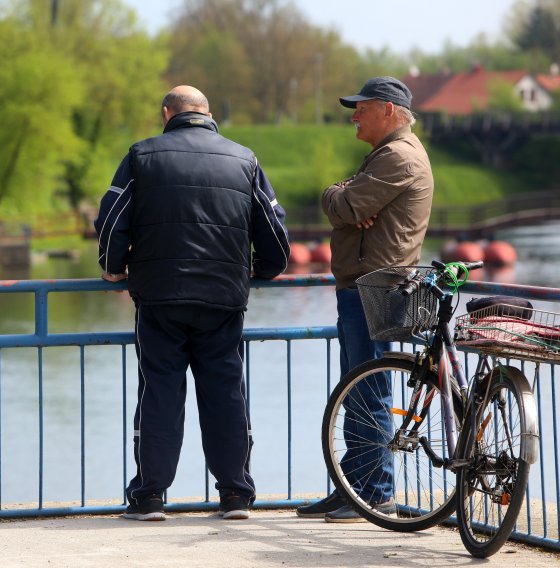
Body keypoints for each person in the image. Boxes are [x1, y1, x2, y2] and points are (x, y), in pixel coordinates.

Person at [94, 85, 290, 521]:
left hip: (160, 297)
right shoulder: (244, 159)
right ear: (208, 113)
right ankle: (236, 495)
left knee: (160, 392)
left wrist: (112, 266)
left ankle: (150, 497)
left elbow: (111, 219)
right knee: (225, 394)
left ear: (167, 113)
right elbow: (274, 230)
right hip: (223, 298)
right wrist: (264, 269)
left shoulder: (142, 156)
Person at [296, 76, 434, 522]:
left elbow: (345, 207)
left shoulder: (397, 157)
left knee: (368, 390)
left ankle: (375, 495)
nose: (353, 115)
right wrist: (346, 193)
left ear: (389, 111)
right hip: (363, 287)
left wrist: (339, 194)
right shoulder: (384, 156)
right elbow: (350, 203)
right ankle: (353, 491)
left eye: (362, 107)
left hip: (376, 288)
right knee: (355, 392)